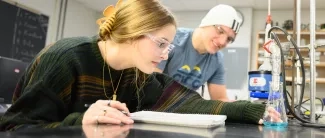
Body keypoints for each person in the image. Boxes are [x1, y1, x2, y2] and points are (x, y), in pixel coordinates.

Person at [0, 0, 280, 131]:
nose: (165, 55)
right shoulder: (66, 59)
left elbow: (190, 104)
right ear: (134, 34)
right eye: (161, 44)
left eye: (169, 47)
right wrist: (79, 121)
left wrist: (254, 110)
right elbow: (15, 127)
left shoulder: (138, 73)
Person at [156, 4, 242, 102]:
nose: (222, 42)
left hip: (182, 111)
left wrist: (241, 108)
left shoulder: (217, 60)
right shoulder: (173, 39)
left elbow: (219, 99)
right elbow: (149, 84)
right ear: (206, 23)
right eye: (220, 31)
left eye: (229, 39)